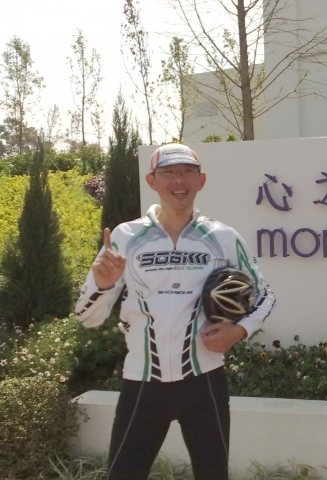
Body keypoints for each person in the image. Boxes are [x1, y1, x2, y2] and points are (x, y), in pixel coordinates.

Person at [75, 144, 275, 480]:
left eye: (187, 172)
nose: (178, 180)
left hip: (204, 381)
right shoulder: (126, 237)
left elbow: (265, 294)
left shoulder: (223, 237)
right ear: (152, 180)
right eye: (168, 172)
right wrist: (104, 285)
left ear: (201, 180)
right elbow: (86, 317)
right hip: (142, 382)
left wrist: (240, 330)